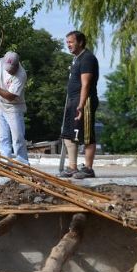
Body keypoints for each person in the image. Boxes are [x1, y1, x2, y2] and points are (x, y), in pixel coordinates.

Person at [59, 30, 99, 179]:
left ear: (80, 42)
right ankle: (72, 167)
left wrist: (81, 105)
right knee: (69, 134)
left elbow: (86, 84)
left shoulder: (87, 58)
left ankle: (88, 168)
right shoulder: (76, 59)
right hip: (73, 100)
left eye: (71, 42)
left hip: (84, 101)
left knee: (87, 135)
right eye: (67, 42)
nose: (68, 45)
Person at [0, 41, 29, 164]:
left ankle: (23, 163)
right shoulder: (2, 63)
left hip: (14, 107)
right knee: (3, 137)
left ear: (17, 65)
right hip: (0, 105)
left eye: (12, 70)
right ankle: (5, 162)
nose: (9, 72)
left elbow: (10, 96)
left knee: (18, 137)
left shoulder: (21, 75)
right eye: (7, 69)